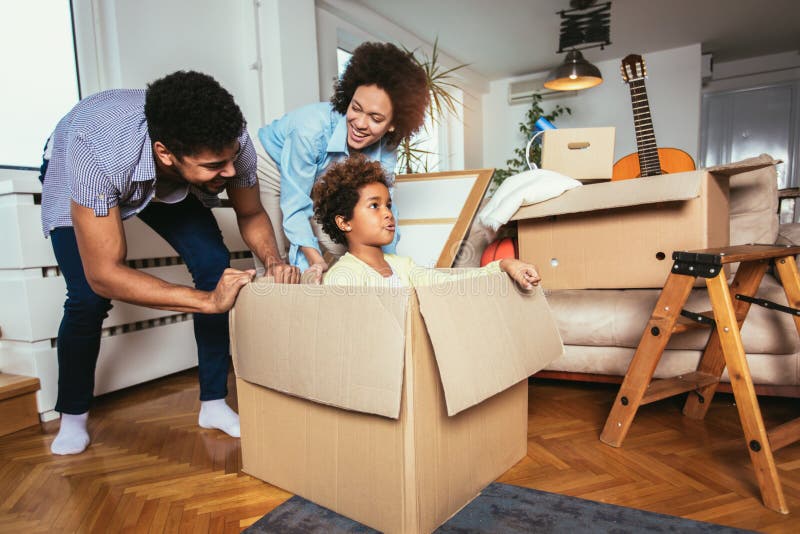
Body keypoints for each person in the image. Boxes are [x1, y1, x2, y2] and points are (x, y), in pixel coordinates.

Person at [40, 71, 299, 455]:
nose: (229, 173)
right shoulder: (95, 151)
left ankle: (213, 403)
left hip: (155, 173)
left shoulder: (233, 144)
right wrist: (209, 301)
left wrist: (273, 260)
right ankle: (73, 415)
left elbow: (250, 213)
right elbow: (104, 274)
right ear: (165, 153)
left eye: (231, 160)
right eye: (215, 166)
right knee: (86, 298)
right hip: (75, 162)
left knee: (214, 263)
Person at [256, 41, 429, 282]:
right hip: (270, 168)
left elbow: (383, 204)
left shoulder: (387, 147)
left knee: (346, 244)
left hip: (320, 173)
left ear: (393, 125)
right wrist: (314, 261)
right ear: (348, 97)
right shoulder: (311, 129)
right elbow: (295, 205)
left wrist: (389, 265)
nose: (359, 123)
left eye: (375, 118)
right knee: (278, 264)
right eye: (356, 108)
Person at [312, 155, 542, 288]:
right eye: (374, 206)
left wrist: (503, 265)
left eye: (388, 205)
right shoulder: (341, 278)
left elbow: (447, 283)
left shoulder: (403, 266)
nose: (388, 214)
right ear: (344, 222)